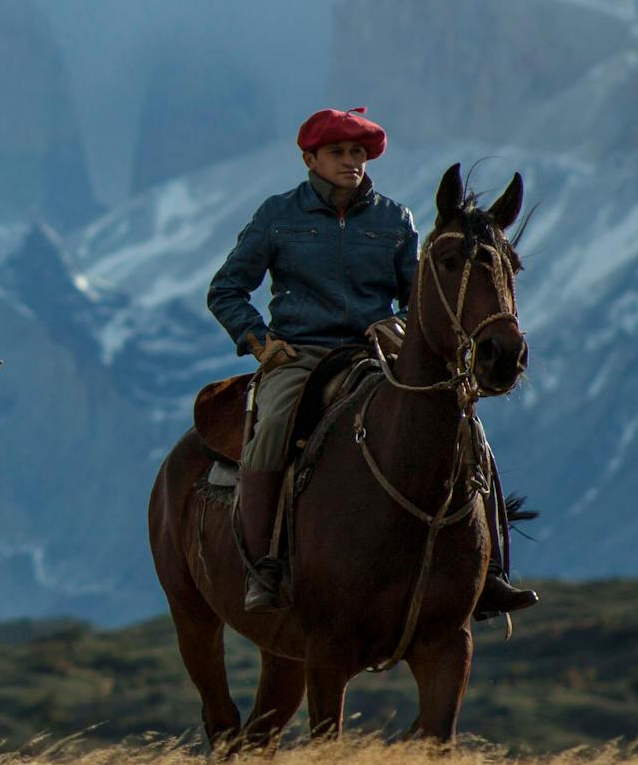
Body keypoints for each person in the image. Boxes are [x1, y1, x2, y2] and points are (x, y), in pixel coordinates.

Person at [207, 107, 537, 618]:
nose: (350, 162)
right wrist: (261, 343)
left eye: (357, 152)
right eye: (337, 152)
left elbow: (422, 297)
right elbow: (226, 289)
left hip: (377, 351)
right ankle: (265, 566)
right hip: (300, 353)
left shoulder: (394, 220)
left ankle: (490, 570)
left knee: (468, 428)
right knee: (272, 424)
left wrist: (399, 324)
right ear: (309, 159)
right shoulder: (277, 216)